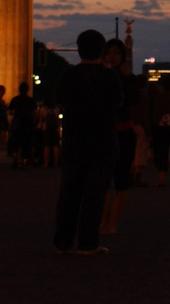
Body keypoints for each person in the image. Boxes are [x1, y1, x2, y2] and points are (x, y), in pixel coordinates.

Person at [53, 29, 123, 255]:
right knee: (95, 195)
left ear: (79, 49)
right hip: (102, 142)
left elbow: (59, 100)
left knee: (69, 194)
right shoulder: (110, 77)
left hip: (74, 141)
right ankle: (88, 242)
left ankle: (63, 242)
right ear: (101, 51)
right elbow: (119, 103)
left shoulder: (67, 75)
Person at [99, 38, 142, 234]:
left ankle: (113, 223)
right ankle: (103, 221)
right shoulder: (99, 76)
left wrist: (128, 78)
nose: (113, 56)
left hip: (124, 132)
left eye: (117, 52)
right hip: (103, 133)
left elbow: (134, 102)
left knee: (121, 180)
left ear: (123, 55)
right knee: (102, 181)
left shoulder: (129, 79)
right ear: (104, 55)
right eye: (109, 52)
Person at [8, 83, 37, 168]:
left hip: (17, 123)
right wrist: (34, 123)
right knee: (26, 143)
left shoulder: (15, 99)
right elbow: (35, 113)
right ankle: (24, 161)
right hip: (27, 123)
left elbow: (10, 111)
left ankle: (16, 158)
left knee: (16, 142)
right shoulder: (31, 100)